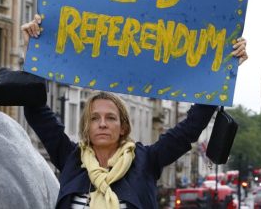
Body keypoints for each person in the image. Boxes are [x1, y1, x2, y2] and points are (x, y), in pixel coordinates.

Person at [21, 14, 248, 209]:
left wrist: (222, 68)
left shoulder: (145, 161)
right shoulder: (71, 159)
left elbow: (189, 129)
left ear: (124, 127)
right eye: (94, 118)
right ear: (86, 127)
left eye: (111, 118)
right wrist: (34, 50)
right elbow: (37, 112)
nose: (102, 123)